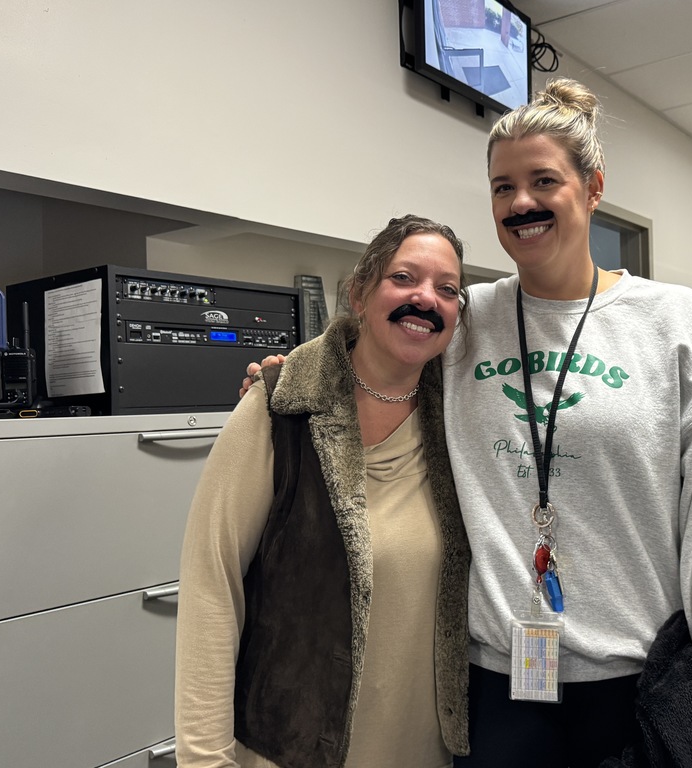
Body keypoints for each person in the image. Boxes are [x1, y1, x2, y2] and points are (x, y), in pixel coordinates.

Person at [245, 79, 692, 767]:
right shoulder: (465, 318)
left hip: (637, 682)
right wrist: (286, 377)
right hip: (499, 683)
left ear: (593, 188)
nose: (521, 203)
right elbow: (371, 348)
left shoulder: (672, 320)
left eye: (543, 181)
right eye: (503, 187)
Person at [177, 214, 472, 768]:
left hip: (425, 751)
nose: (425, 299)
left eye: (448, 289)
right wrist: (204, 758)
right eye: (404, 278)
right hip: (291, 748)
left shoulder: (461, 418)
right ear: (359, 294)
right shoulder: (279, 408)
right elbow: (211, 585)